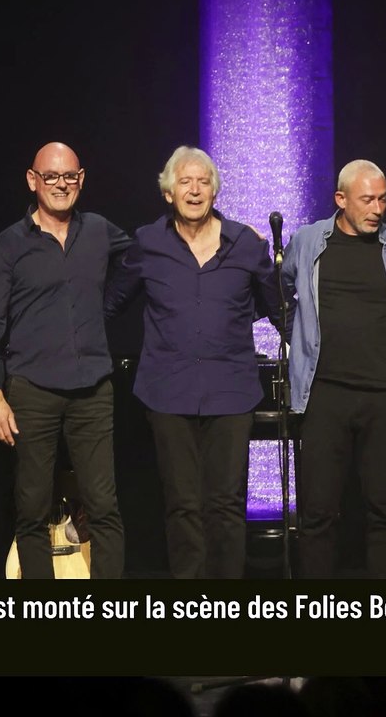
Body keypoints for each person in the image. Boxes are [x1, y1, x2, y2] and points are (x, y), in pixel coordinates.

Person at [105, 146, 281, 579]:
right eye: (185, 181)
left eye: (203, 181)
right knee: (182, 505)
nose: (195, 189)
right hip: (167, 391)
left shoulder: (245, 243)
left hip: (232, 390)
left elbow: (279, 309)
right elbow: (109, 304)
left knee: (226, 504)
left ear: (215, 191)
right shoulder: (148, 243)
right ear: (168, 193)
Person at [0, 142, 128, 579]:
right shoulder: (9, 245)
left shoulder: (98, 230)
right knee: (33, 508)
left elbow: (145, 256)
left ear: (82, 179)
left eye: (70, 177)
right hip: (32, 391)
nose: (61, 185)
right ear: (32, 180)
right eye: (51, 177)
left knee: (104, 506)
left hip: (92, 390)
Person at [281, 160, 386, 579]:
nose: (377, 208)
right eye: (367, 200)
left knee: (384, 509)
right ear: (340, 200)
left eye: (382, 199)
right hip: (325, 394)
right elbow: (280, 291)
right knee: (319, 511)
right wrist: (297, 336)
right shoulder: (308, 241)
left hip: (384, 396)